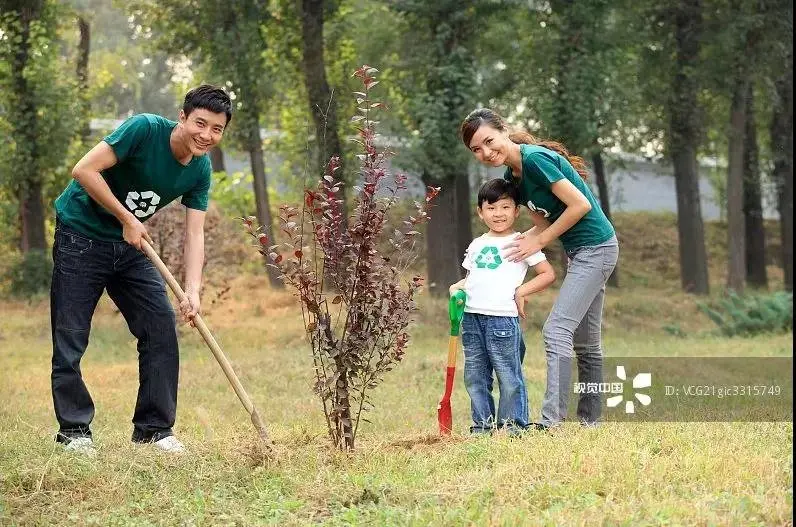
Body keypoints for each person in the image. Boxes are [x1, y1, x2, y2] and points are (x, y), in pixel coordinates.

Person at [50, 85, 232, 456]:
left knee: (160, 328)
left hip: (131, 248)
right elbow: (83, 169)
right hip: (80, 236)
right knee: (71, 334)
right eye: (200, 123)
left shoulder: (200, 168)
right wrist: (126, 218)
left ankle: (154, 430)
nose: (206, 135)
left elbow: (194, 233)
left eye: (217, 129)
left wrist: (193, 290)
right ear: (181, 117)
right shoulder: (144, 130)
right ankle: (74, 432)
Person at [460, 108, 619, 429]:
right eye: (477, 149)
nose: (486, 152)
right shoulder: (512, 179)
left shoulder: (535, 160)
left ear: (503, 131)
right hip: (580, 252)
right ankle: (591, 421)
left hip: (597, 248)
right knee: (587, 343)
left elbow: (581, 205)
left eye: (489, 141)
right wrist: (514, 255)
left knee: (556, 331)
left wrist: (541, 240)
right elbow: (541, 223)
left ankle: (551, 423)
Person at [449, 178, 555, 434]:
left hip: (502, 322)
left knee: (509, 376)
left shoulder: (521, 243)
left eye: (505, 207)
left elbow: (547, 274)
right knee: (475, 377)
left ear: (516, 211)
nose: (498, 214)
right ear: (480, 212)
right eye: (491, 208)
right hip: (472, 319)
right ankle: (482, 427)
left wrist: (522, 290)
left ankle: (512, 427)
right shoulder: (477, 244)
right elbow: (473, 278)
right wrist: (457, 287)